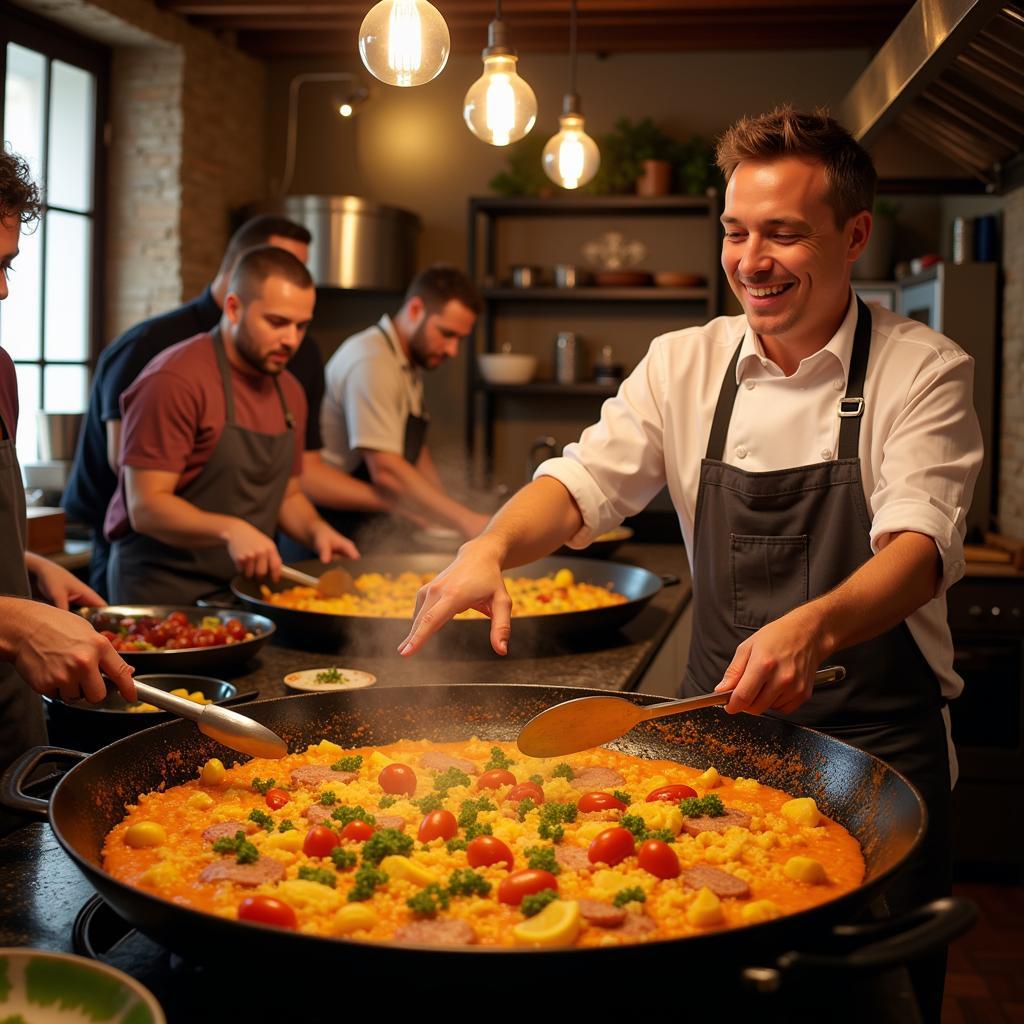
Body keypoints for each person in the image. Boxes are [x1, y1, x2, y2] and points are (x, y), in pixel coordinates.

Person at [397, 108, 982, 1021]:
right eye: (736, 232)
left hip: (872, 763)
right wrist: (490, 546)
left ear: (854, 234)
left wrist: (814, 623)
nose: (753, 259)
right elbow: (584, 481)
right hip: (717, 748)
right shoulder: (684, 362)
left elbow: (917, 552)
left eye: (784, 233)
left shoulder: (925, 370)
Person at [63, 215, 390, 597]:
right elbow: (146, 506)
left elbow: (288, 495)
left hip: (241, 589)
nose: (291, 339)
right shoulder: (174, 380)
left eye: (301, 326)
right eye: (277, 322)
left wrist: (317, 530)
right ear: (233, 308)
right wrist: (230, 528)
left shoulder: (290, 391)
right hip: (160, 591)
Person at [0, 146, 135, 808]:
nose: (1, 289)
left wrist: (20, 564)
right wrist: (11, 622)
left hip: (11, 728)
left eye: (7, 267)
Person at [320, 265, 490, 541]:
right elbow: (387, 470)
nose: (453, 350)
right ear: (414, 310)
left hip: (362, 523)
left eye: (460, 339)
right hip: (328, 524)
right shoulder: (372, 362)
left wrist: (444, 514)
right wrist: (465, 520)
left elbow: (414, 451)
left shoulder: (404, 363)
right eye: (447, 334)